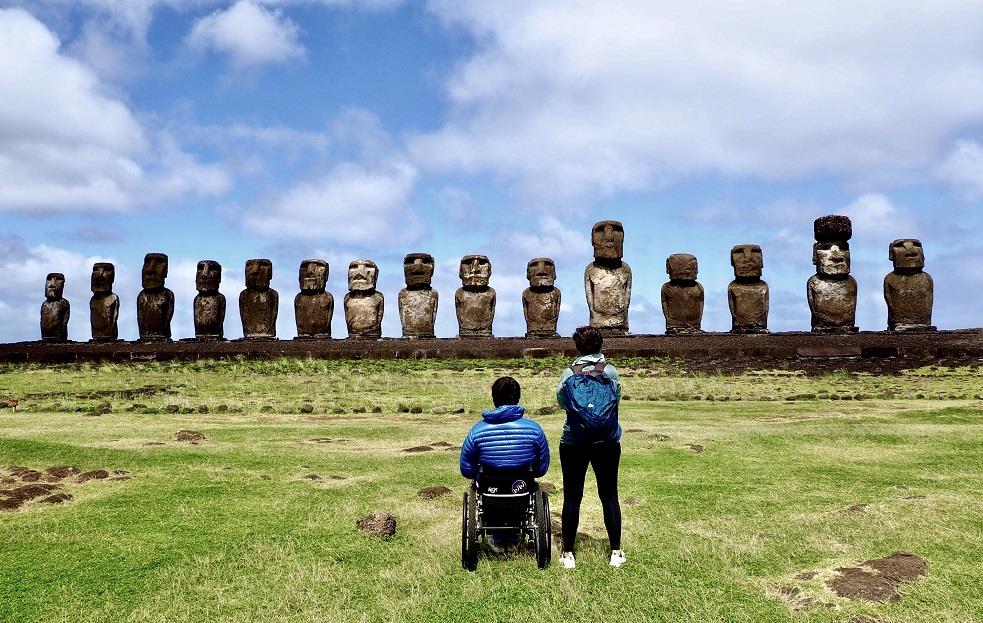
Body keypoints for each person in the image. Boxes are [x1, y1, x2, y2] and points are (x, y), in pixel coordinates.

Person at [555, 325, 625, 568]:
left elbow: (562, 402)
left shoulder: (568, 374)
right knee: (609, 495)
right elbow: (616, 399)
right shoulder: (611, 372)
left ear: (577, 347)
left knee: (572, 497)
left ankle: (568, 553)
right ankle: (616, 551)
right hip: (606, 440)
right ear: (600, 345)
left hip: (574, 440)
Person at [460, 376, 550, 550]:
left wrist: (478, 475)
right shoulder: (534, 429)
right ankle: (514, 534)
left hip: (489, 490)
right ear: (517, 398)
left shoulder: (477, 430)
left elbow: (466, 468)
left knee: (480, 486)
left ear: (494, 399)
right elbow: (542, 466)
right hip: (522, 489)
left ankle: (497, 535)